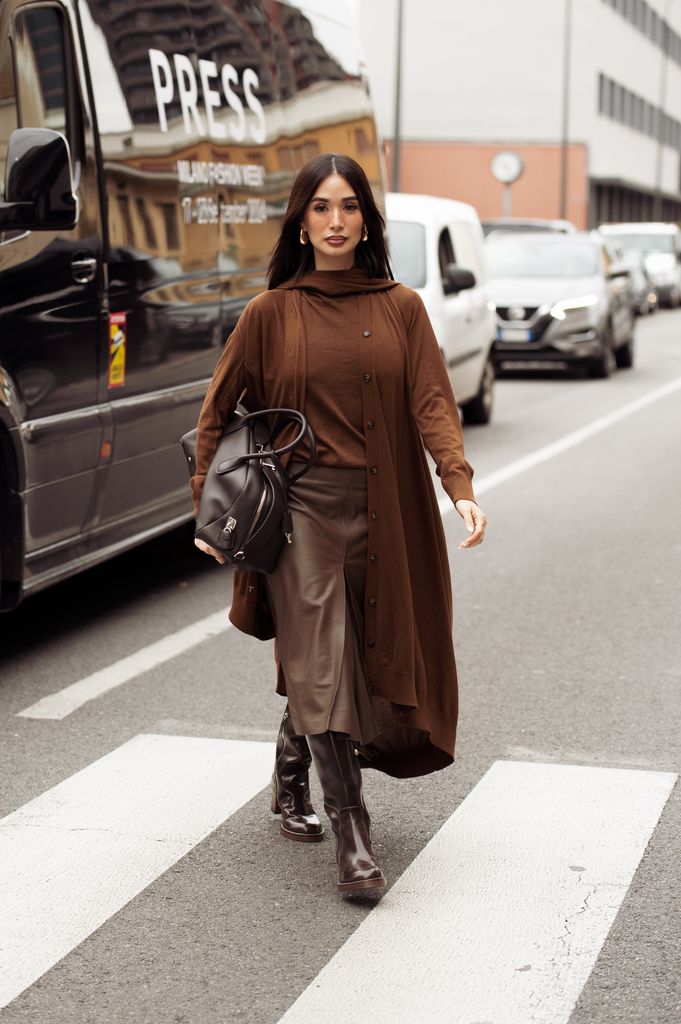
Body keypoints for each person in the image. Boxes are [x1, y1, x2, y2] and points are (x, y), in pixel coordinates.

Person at [191, 153, 487, 894]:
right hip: (300, 515)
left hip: (385, 509)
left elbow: (431, 403)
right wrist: (209, 509)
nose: (334, 221)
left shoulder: (401, 307)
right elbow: (216, 413)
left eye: (348, 206)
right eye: (320, 207)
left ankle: (291, 766)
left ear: (365, 220)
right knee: (323, 656)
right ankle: (352, 834)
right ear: (300, 221)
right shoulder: (270, 313)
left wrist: (457, 484)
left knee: (353, 652)